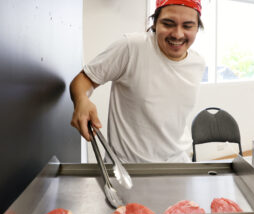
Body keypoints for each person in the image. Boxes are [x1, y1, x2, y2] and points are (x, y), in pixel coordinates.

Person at [70, 0, 205, 163]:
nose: (177, 34)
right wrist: (81, 100)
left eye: (188, 26)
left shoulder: (198, 63)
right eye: (168, 24)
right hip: (129, 168)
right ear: (155, 23)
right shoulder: (132, 48)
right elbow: (83, 79)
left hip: (178, 165)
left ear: (197, 27)